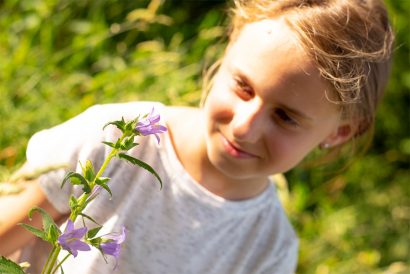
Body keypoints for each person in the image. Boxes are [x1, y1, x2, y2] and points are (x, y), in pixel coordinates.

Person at [0, 0, 394, 273]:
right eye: (243, 87)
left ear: (340, 132)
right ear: (228, 46)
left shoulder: (268, 249)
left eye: (286, 117)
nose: (244, 125)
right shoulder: (120, 139)